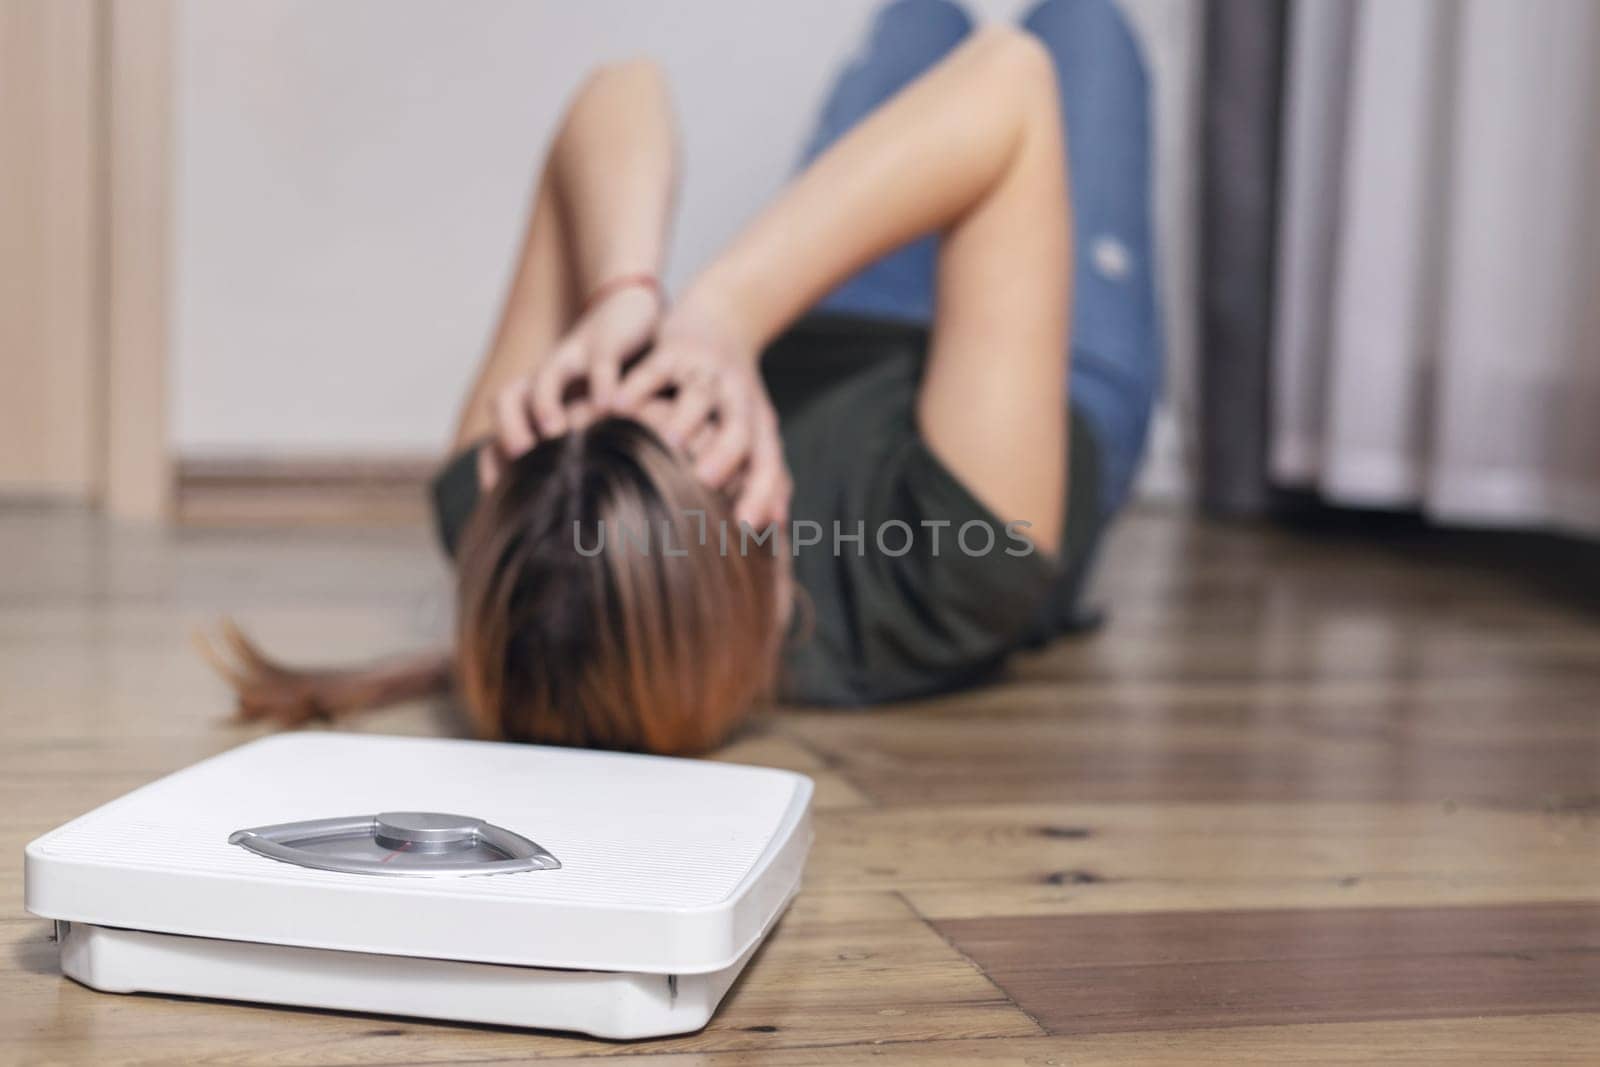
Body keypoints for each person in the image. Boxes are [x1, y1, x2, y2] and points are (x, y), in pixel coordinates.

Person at [202, 0, 1161, 754]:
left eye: (635, 402)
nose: (658, 388)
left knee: (920, 17)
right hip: (1029, 371)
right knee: (1080, 22)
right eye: (689, 424)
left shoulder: (505, 514)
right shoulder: (942, 570)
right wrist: (727, 316)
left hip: (832, 296)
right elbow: (1011, 85)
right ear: (767, 551)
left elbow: (619, 89)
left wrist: (628, 296)